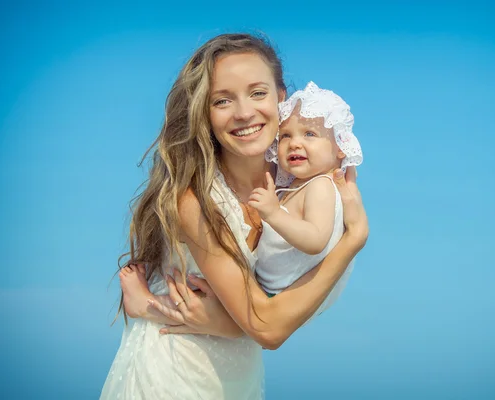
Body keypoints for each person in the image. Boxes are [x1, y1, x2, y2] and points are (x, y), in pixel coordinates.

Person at [101, 33, 368, 400]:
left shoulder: (296, 188)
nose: (244, 112)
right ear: (204, 113)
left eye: (257, 93)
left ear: (281, 98)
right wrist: (354, 240)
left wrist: (231, 326)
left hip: (237, 379)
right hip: (174, 374)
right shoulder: (194, 200)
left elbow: (283, 305)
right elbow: (269, 327)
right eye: (223, 100)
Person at [250, 81, 362, 319]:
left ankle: (150, 305)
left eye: (310, 134)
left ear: (340, 147)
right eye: (286, 136)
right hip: (273, 293)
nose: (295, 143)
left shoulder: (320, 186)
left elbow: (315, 240)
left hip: (278, 296)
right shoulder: (296, 185)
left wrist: (274, 214)